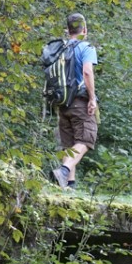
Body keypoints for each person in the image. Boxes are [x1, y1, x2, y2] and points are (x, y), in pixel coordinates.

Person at [51, 12, 98, 189]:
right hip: (80, 101)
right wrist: (92, 98)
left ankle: (69, 185)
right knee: (86, 139)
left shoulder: (60, 49)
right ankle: (63, 171)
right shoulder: (86, 48)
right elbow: (87, 72)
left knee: (69, 144)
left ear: (68, 30)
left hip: (62, 102)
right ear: (84, 29)